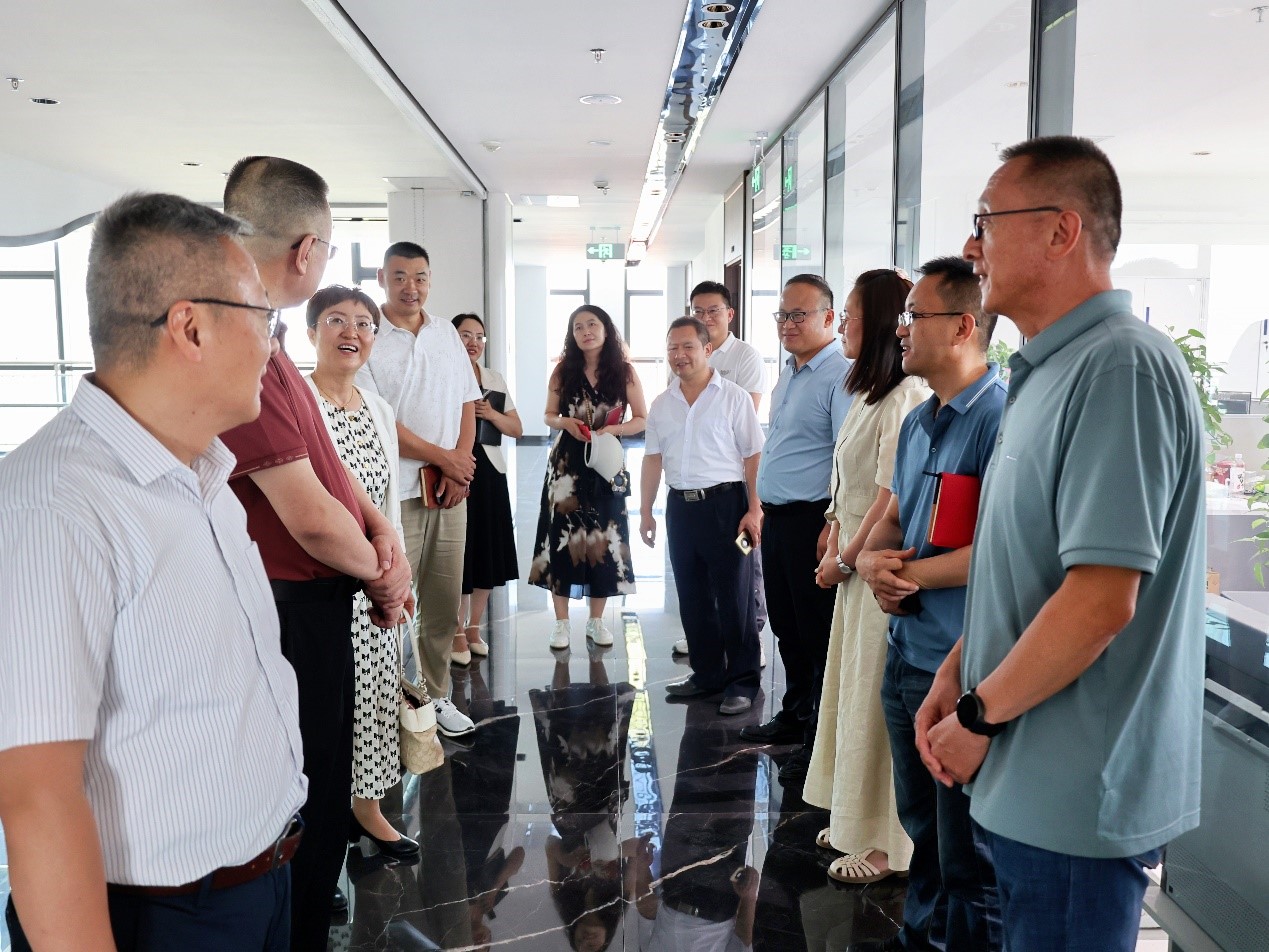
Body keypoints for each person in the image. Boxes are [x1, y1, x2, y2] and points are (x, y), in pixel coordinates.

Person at [0, 192, 305, 950]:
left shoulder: (203, 470)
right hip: (162, 919)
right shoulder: (55, 505)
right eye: (264, 316)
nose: (275, 345)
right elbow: (36, 795)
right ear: (190, 327)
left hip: (260, 881)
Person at [923, 136, 1204, 952]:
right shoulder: (1043, 371)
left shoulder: (1119, 368)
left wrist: (977, 714)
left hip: (1075, 794)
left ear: (1060, 231)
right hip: (1024, 778)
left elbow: (1098, 601)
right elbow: (1031, 567)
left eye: (985, 220)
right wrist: (959, 668)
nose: (971, 243)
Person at [218, 156, 413, 950]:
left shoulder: (267, 340)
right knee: (304, 789)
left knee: (328, 780)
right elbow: (307, 520)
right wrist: (386, 573)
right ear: (306, 251)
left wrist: (383, 537)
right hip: (290, 607)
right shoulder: (238, 343)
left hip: (332, 593)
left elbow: (331, 470)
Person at [848, 258, 1004, 952]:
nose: (901, 329)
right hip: (906, 651)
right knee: (923, 828)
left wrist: (900, 574)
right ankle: (921, 936)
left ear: (964, 326)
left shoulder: (999, 420)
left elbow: (999, 553)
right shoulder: (919, 422)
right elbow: (894, 517)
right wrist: (872, 561)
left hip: (962, 662)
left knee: (964, 847)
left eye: (916, 316)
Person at [803, 269, 929, 887]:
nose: (843, 325)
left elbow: (888, 498)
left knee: (876, 706)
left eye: (850, 315)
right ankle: (852, 815)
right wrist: (832, 529)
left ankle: (885, 843)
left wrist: (846, 557)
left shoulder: (905, 395)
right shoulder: (869, 391)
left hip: (877, 564)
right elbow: (848, 483)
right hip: (854, 557)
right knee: (851, 693)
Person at [303, 285, 420, 863]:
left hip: (375, 583)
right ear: (311, 332)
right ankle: (315, 834)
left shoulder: (378, 409)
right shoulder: (299, 403)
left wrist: (400, 577)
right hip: (318, 582)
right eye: (335, 320)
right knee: (325, 713)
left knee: (375, 697)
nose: (352, 332)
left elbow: (388, 505)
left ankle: (367, 810)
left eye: (364, 324)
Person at [357, 241, 481, 738]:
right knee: (392, 601)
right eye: (400, 276)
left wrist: (459, 466)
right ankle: (389, 703)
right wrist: (444, 458)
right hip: (397, 491)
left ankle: (435, 696)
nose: (412, 287)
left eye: (421, 277)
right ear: (383, 279)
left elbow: (468, 401)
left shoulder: (445, 332)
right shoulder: (369, 335)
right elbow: (379, 418)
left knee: (444, 599)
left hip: (449, 490)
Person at [739, 274, 851, 787]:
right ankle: (795, 712)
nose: (787, 324)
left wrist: (834, 524)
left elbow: (845, 458)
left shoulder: (840, 376)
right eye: (782, 315)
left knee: (815, 632)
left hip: (814, 522)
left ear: (829, 318)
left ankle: (817, 740)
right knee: (785, 625)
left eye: (798, 315)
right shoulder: (788, 373)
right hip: (780, 519)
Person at [639, 317, 765, 715]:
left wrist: (755, 508)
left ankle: (742, 681)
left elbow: (754, 455)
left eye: (688, 346)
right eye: (672, 348)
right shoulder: (662, 404)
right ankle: (707, 674)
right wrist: (646, 511)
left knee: (735, 598)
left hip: (727, 507)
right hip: (681, 509)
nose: (679, 355)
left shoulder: (734, 398)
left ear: (707, 350)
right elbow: (653, 458)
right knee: (692, 597)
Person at [529, 304, 648, 649]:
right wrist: (564, 422)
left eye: (592, 324)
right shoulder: (563, 370)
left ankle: (596, 621)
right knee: (561, 536)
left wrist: (613, 430)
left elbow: (642, 418)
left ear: (606, 329)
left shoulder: (624, 372)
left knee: (604, 535)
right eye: (578, 327)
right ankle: (561, 623)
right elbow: (548, 415)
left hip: (606, 461)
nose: (586, 332)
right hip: (567, 464)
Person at [674, 279, 769, 660]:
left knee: (744, 564)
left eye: (713, 310)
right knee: (702, 570)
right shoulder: (685, 353)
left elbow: (746, 423)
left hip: (734, 483)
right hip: (694, 483)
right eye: (698, 310)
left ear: (729, 313)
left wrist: (754, 504)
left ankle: (751, 635)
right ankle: (709, 637)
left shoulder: (745, 357)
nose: (705, 317)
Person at [451, 313, 522, 661]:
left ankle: (474, 627)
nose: (473, 342)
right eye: (465, 335)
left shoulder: (493, 379)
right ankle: (455, 631)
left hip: (490, 470)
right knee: (459, 552)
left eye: (479, 336)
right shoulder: (444, 375)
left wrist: (491, 414)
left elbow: (517, 429)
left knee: (487, 551)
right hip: (456, 466)